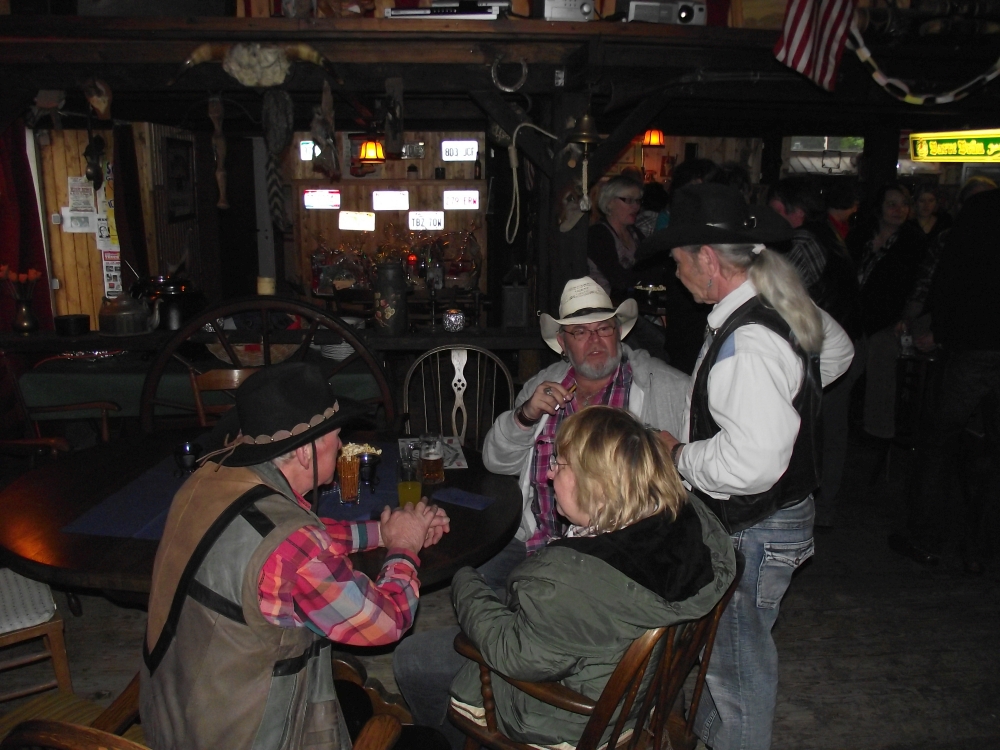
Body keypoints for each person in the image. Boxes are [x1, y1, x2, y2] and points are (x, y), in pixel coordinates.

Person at [638, 183, 854, 750]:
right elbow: (837, 352)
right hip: (774, 521)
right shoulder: (776, 304)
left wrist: (679, 456)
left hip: (753, 528)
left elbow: (751, 463)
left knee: (736, 676)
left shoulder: (748, 341)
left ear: (708, 259)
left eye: (679, 260)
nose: (675, 272)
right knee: (726, 658)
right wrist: (790, 401)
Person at [140, 363, 450, 750]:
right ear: (305, 451)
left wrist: (384, 533)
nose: (342, 446)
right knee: (430, 743)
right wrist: (404, 548)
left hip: (176, 714)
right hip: (246, 737)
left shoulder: (207, 481)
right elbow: (387, 622)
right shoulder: (293, 546)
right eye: (336, 436)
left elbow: (280, 537)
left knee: (349, 700)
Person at [393, 407, 737, 749]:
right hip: (622, 683)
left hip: (564, 716)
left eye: (559, 464)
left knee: (413, 658)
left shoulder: (575, 580)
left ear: (597, 483)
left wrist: (462, 574)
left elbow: (513, 651)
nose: (548, 474)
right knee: (497, 594)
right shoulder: (684, 519)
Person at [475, 276, 690, 593]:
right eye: (580, 332)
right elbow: (496, 463)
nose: (595, 340)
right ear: (562, 343)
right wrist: (525, 416)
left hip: (618, 553)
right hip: (537, 540)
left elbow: (687, 483)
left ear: (619, 333)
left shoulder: (666, 389)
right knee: (474, 579)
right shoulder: (542, 386)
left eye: (604, 329)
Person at [889, 183, 1000, 575]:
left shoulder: (973, 222)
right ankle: (982, 548)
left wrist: (936, 330)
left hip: (969, 349)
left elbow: (945, 284)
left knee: (937, 445)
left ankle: (926, 538)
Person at [769, 176, 860, 528]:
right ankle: (822, 505)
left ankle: (810, 508)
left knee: (817, 431)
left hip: (828, 348)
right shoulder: (828, 234)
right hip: (843, 340)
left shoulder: (805, 240)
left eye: (775, 209)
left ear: (794, 211)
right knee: (830, 430)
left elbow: (779, 295)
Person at [846, 183, 928, 439]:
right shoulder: (861, 235)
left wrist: (906, 317)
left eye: (903, 205)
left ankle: (878, 431)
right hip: (855, 314)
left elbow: (917, 286)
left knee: (881, 361)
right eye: (892, 204)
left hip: (889, 319)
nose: (898, 210)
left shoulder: (914, 242)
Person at [587, 175, 645, 300]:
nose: (636, 206)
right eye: (629, 200)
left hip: (629, 303)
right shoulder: (598, 235)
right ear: (609, 202)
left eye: (638, 201)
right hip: (602, 305)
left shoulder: (636, 234)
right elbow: (619, 280)